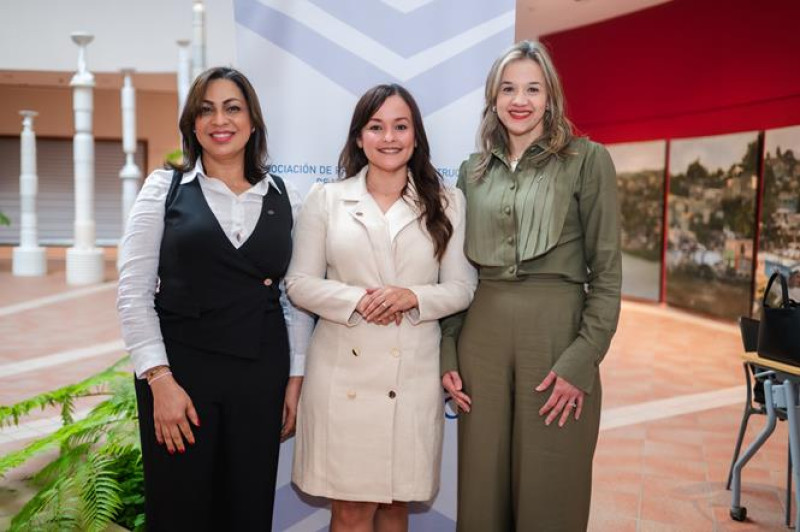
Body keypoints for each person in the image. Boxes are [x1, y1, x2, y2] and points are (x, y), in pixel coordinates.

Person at [117, 66, 312, 531]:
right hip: (182, 378)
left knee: (246, 510)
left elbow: (294, 297)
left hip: (259, 375)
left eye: (232, 108)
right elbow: (132, 291)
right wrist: (159, 381)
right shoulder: (164, 190)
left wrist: (294, 379)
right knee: (180, 511)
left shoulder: (287, 195)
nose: (219, 120)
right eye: (206, 110)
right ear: (192, 123)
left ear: (252, 120)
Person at [440, 40, 622, 531]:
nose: (519, 100)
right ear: (493, 99)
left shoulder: (589, 160)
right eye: (508, 89)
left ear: (551, 97)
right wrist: (448, 352)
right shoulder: (470, 173)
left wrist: (582, 359)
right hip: (482, 341)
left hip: (558, 341)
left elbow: (607, 274)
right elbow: (458, 272)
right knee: (481, 492)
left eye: (532, 89)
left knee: (552, 491)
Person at [285, 84, 477, 531]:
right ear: (359, 137)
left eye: (400, 126)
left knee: (396, 505)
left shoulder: (447, 202)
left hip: (411, 373)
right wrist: (357, 300)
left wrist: (414, 297)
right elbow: (298, 283)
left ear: (416, 136)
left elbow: (463, 288)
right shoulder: (326, 200)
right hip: (342, 374)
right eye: (376, 127)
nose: (389, 137)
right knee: (350, 511)